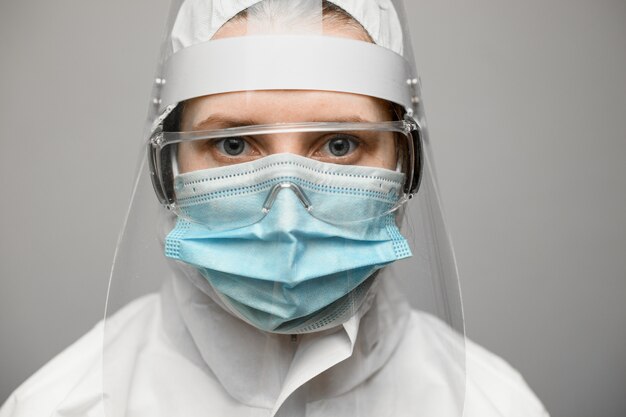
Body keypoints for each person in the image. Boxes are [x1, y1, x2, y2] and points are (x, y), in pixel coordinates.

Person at [0, 1, 550, 416]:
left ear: (404, 164)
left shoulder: (490, 404)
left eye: (340, 144)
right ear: (169, 170)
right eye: (234, 145)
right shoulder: (61, 406)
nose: (286, 221)